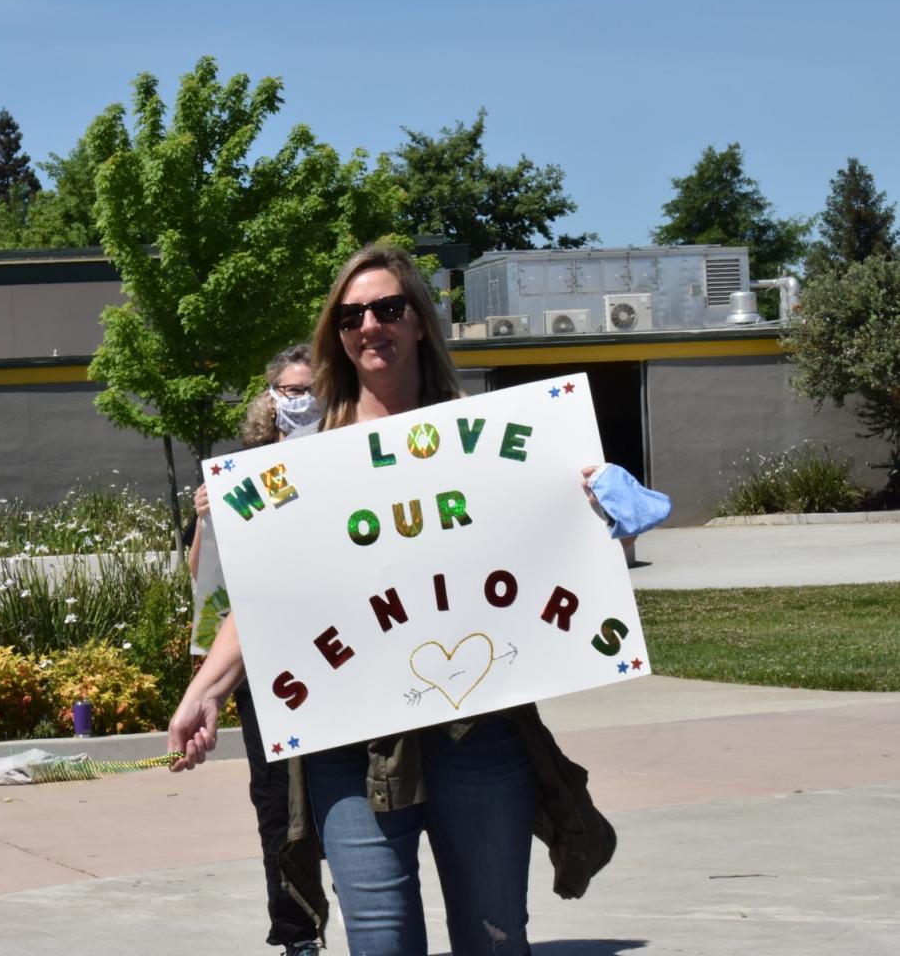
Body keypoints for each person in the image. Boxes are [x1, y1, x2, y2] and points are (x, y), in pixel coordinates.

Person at [168, 245, 619, 956]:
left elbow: (551, 550)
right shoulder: (299, 469)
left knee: (493, 940)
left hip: (479, 730)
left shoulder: (499, 438)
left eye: (387, 308)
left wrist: (596, 506)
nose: (368, 325)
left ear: (417, 323)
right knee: (380, 945)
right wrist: (208, 688)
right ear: (335, 335)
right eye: (350, 315)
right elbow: (265, 600)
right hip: (347, 743)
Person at [184, 344, 326, 956]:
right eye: (290, 391)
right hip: (264, 665)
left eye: (311, 389)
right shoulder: (238, 474)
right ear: (268, 400)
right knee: (277, 801)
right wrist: (202, 524)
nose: (300, 401)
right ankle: (297, 934)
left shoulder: (353, 457)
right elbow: (202, 580)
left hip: (344, 653)